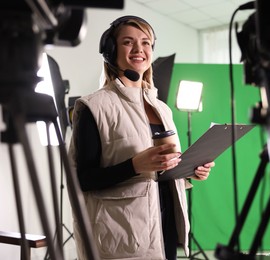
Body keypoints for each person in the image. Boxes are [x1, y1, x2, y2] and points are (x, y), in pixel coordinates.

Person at [68, 15, 215, 260]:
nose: (139, 49)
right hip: (122, 233)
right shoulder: (93, 106)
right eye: (128, 42)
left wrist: (190, 170)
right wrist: (134, 165)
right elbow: (84, 179)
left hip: (164, 224)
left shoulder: (162, 108)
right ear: (111, 51)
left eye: (146, 42)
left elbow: (161, 172)